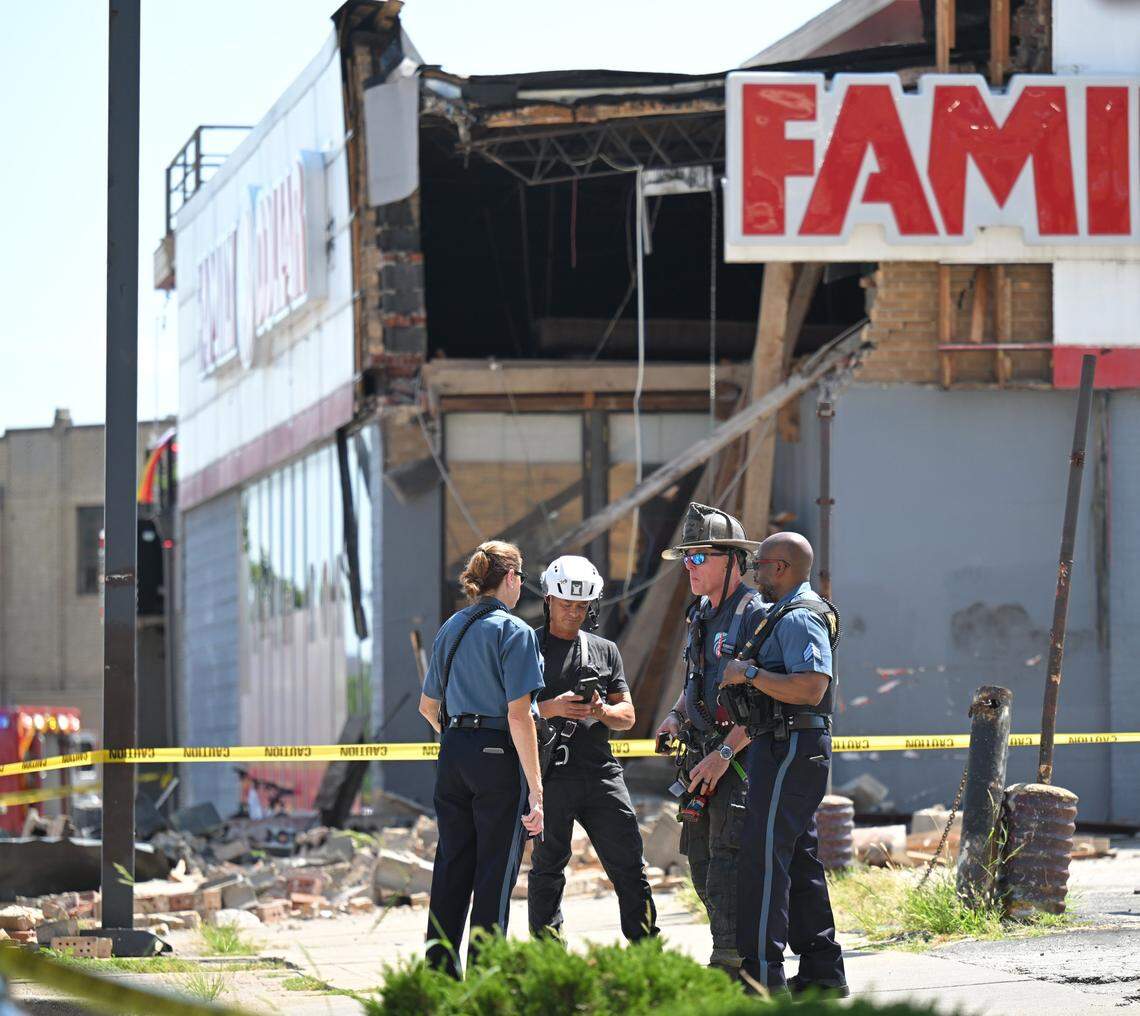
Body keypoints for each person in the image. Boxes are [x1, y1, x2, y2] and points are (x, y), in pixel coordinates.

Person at [718, 531, 847, 997]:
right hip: (785, 745)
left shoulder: (799, 618)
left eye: (761, 565)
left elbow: (812, 687)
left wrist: (747, 673)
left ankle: (762, 977)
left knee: (763, 858)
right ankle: (822, 973)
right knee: (797, 857)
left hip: (791, 747)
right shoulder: (784, 614)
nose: (756, 574)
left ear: (782, 568)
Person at [418, 540, 545, 979]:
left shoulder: (451, 627)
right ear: (510, 577)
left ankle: (438, 976)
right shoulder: (516, 632)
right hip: (497, 754)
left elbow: (427, 706)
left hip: (453, 750)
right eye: (522, 577)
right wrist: (537, 789)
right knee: (495, 871)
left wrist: (460, 739)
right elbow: (519, 716)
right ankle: (487, 978)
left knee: (452, 864)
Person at [654, 502, 765, 973]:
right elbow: (695, 680)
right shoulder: (699, 613)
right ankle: (731, 954)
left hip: (737, 760)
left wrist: (723, 753)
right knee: (699, 864)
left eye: (699, 557)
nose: (690, 567)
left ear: (732, 560)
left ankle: (734, 964)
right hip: (701, 758)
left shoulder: (756, 615)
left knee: (728, 862)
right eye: (687, 557)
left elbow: (765, 705)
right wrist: (675, 717)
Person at [528, 555, 659, 944]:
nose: (573, 613)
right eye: (566, 604)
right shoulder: (526, 645)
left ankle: (647, 951)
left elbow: (628, 716)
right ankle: (548, 957)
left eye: (582, 606)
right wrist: (551, 708)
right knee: (548, 867)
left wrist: (601, 709)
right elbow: (510, 712)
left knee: (630, 867)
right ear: (549, 599)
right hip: (551, 774)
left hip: (601, 773)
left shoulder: (604, 650)